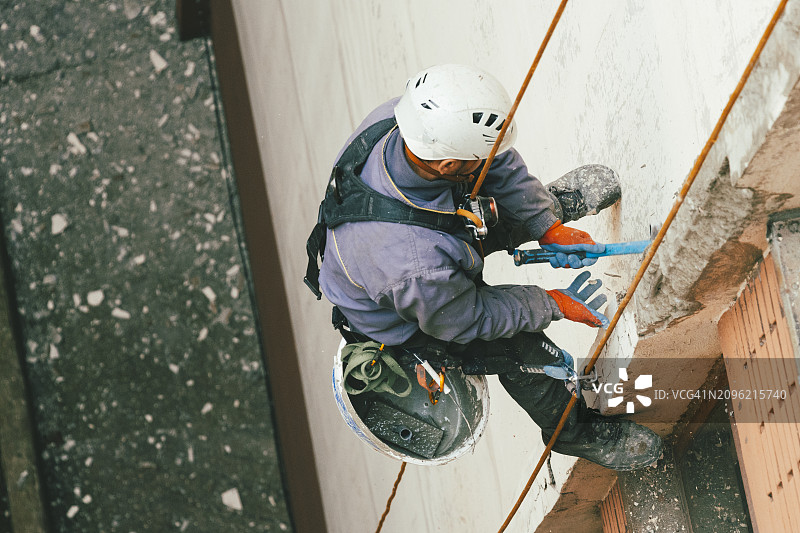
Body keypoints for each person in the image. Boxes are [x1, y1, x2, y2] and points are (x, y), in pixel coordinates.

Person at [305, 64, 661, 470]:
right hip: (420, 314)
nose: (485, 159)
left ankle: (546, 209)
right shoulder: (414, 264)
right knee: (521, 348)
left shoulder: (410, 125)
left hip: (427, 246)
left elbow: (496, 161)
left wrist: (546, 225)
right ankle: (576, 434)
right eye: (473, 158)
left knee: (492, 208)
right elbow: (469, 318)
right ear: (446, 166)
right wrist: (551, 303)